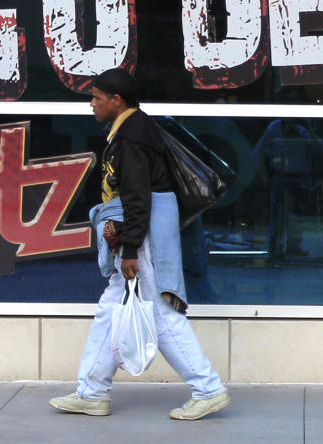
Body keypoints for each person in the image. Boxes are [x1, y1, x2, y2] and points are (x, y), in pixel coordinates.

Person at [48, 68, 230, 420]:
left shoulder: (131, 137)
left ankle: (208, 389)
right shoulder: (135, 126)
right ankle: (91, 391)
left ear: (117, 101)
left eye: (97, 97)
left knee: (161, 314)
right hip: (144, 231)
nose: (92, 104)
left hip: (143, 236)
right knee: (110, 310)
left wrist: (129, 249)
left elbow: (137, 196)